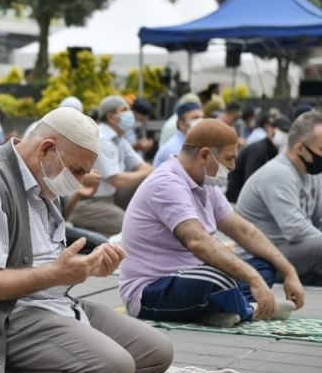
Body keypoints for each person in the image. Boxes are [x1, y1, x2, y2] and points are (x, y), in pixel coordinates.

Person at [0, 107, 173, 373]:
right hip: (3, 319)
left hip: (55, 304)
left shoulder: (42, 174)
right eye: (78, 170)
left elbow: (49, 257)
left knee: (158, 354)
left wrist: (87, 265)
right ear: (47, 149)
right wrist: (58, 275)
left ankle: (64, 350)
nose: (83, 181)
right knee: (114, 371)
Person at [119, 120, 304, 328]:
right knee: (220, 279)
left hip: (195, 278)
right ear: (205, 155)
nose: (233, 167)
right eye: (229, 159)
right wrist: (253, 279)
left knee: (265, 266)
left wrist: (289, 271)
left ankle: (218, 309)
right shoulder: (167, 183)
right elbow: (198, 242)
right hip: (151, 291)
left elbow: (245, 231)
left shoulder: (206, 183)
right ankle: (249, 309)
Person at [237, 112, 322, 286]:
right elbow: (296, 230)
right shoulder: (279, 173)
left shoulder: (313, 174)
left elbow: (318, 220)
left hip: (288, 251)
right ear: (300, 149)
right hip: (258, 260)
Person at [69, 95, 154, 237]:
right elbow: (116, 180)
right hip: (87, 203)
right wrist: (144, 172)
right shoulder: (101, 138)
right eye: (124, 110)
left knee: (148, 181)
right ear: (111, 117)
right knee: (134, 228)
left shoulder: (119, 139)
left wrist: (145, 173)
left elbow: (146, 168)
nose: (130, 114)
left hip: (109, 197)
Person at [226, 115, 291, 203]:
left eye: (287, 132)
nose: (285, 135)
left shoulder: (276, 150)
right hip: (237, 200)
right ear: (271, 129)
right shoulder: (258, 150)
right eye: (282, 131)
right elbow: (251, 182)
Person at [153, 102, 203, 167]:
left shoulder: (188, 143)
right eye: (195, 118)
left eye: (202, 117)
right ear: (182, 125)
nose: (201, 121)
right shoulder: (174, 149)